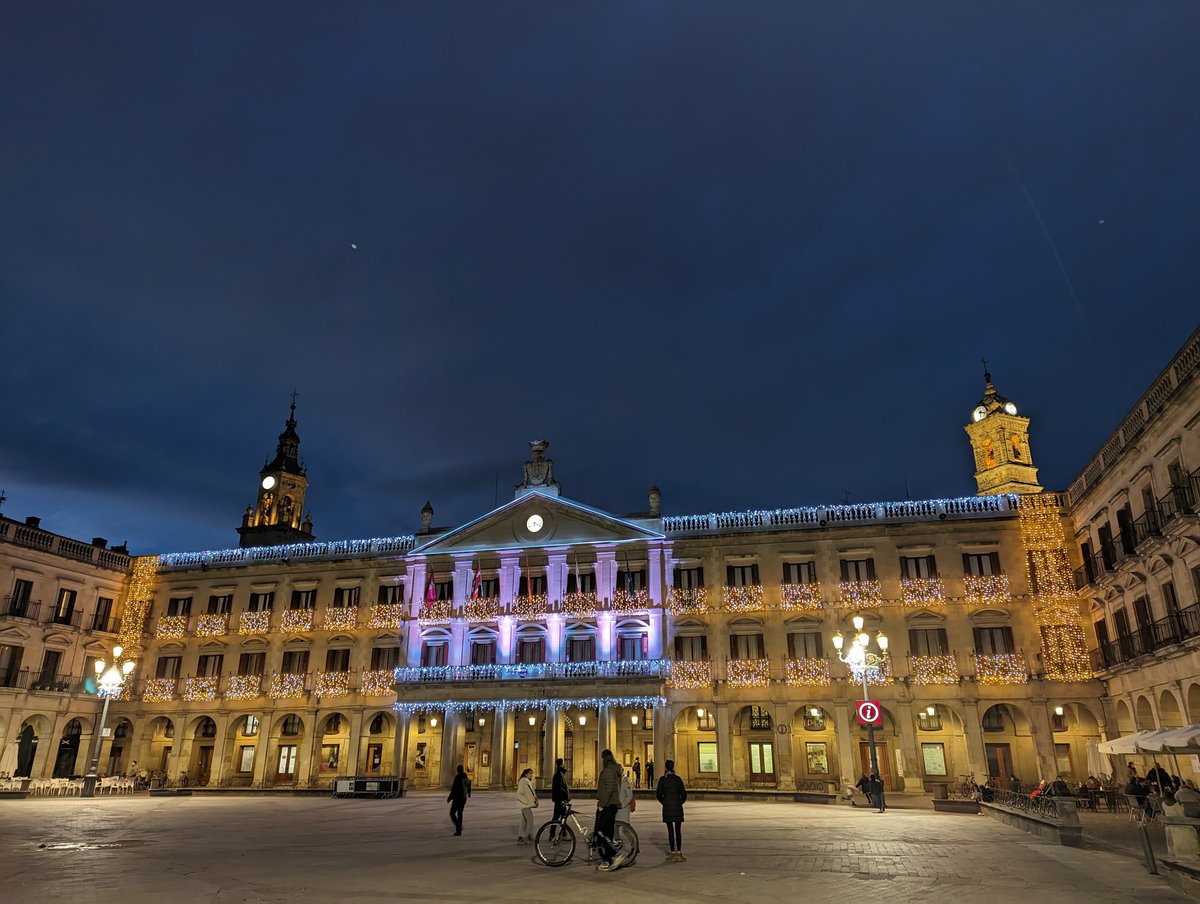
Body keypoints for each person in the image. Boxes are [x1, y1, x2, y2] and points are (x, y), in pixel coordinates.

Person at [594, 749, 623, 871]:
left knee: (600, 831)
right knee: (608, 832)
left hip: (609, 805)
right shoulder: (612, 770)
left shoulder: (609, 771)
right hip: (610, 805)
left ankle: (612, 856)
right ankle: (610, 858)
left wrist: (602, 804)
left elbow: (609, 790)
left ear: (604, 759)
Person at [656, 758, 687, 862]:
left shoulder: (662, 780)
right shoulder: (678, 779)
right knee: (678, 830)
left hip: (668, 806)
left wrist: (664, 802)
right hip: (677, 806)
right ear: (673, 767)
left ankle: (672, 852)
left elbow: (658, 794)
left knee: (670, 830)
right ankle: (679, 852)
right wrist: (679, 802)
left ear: (665, 767)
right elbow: (684, 794)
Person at [516, 768, 538, 844]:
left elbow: (531, 792)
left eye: (532, 773)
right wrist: (526, 802)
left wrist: (534, 800)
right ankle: (527, 837)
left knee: (524, 822)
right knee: (530, 820)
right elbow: (519, 794)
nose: (531, 775)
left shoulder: (527, 782)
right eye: (529, 773)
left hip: (526, 805)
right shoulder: (523, 782)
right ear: (525, 774)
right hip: (525, 805)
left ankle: (520, 837)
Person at [447, 765, 471, 836]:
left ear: (458, 770)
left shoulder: (458, 777)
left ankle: (458, 827)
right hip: (463, 798)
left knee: (452, 813)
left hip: (457, 798)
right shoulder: (465, 776)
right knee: (460, 813)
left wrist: (450, 797)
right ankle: (458, 830)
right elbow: (468, 786)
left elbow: (454, 788)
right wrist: (468, 794)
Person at [551, 757, 570, 823]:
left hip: (560, 799)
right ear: (561, 764)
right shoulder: (559, 775)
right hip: (560, 800)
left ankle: (563, 831)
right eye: (563, 763)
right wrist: (566, 796)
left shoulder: (561, 774)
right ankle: (552, 832)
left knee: (563, 816)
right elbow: (560, 788)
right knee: (557, 816)